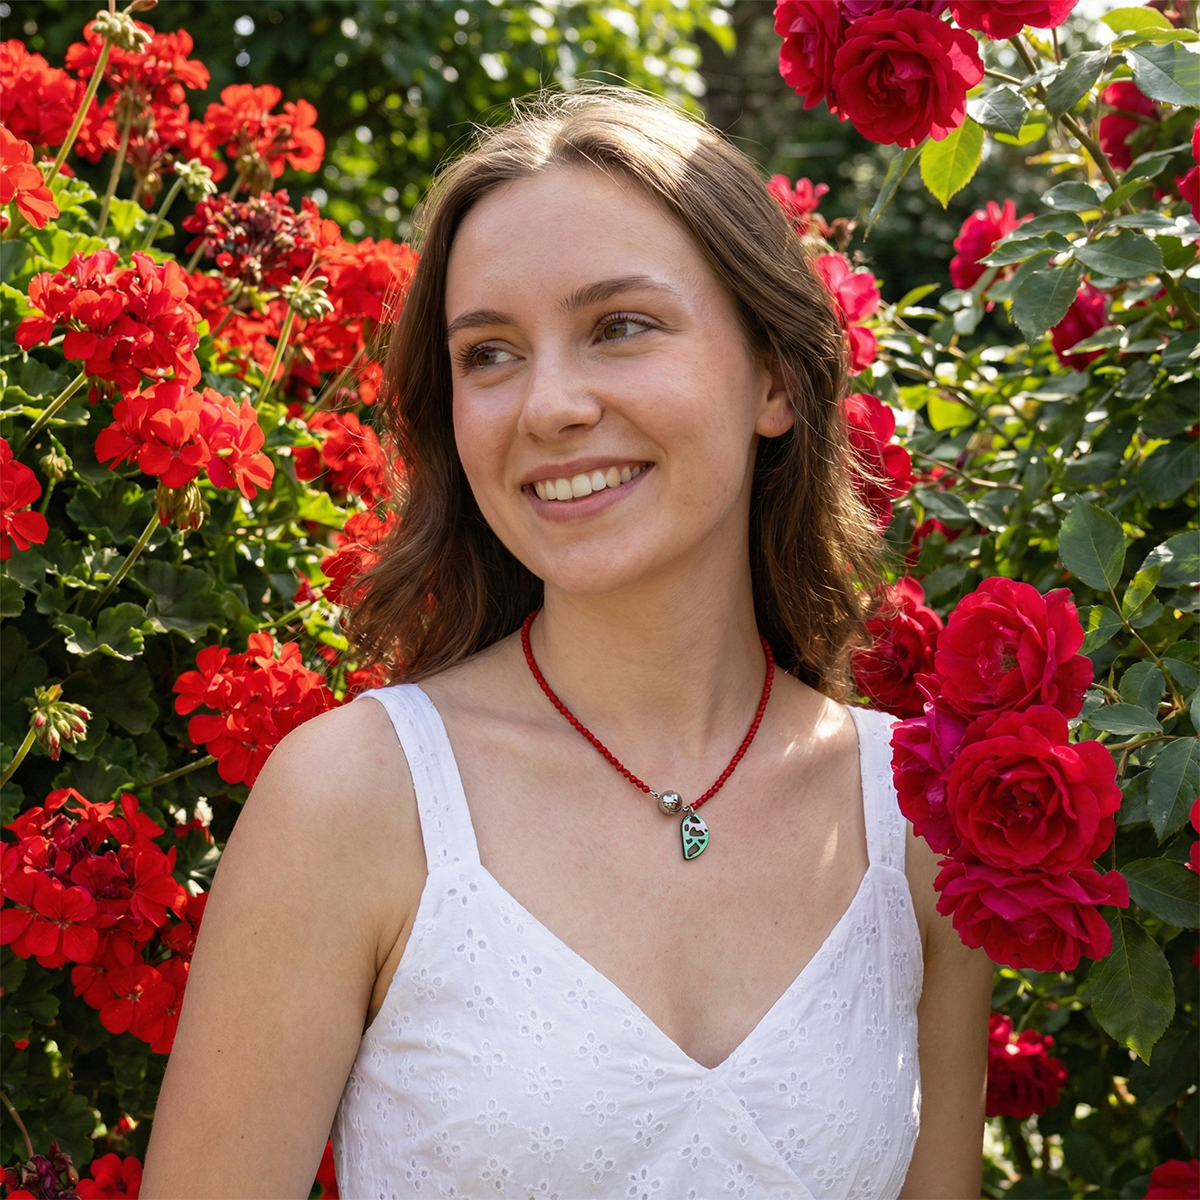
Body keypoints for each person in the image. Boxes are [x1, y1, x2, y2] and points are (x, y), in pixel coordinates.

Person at [143, 88, 992, 1199]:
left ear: (775, 377)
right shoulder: (358, 801)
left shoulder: (918, 815)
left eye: (620, 327)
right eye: (488, 354)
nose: (548, 405)